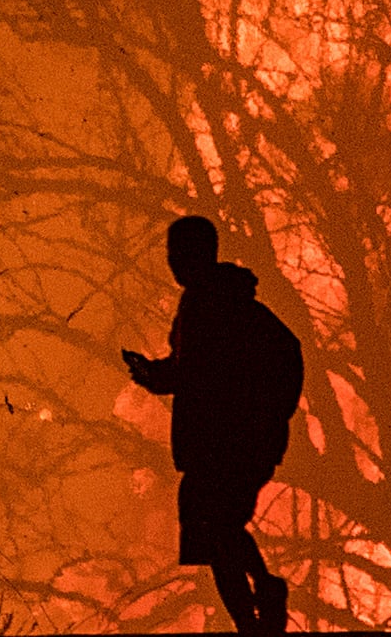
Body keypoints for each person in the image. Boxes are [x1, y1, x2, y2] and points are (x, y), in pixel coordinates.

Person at [124, 215, 302, 635]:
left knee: (218, 528)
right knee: (215, 533)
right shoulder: (200, 305)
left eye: (178, 254)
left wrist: (267, 420)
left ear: (199, 253)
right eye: (170, 255)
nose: (172, 263)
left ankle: (259, 601)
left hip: (231, 445)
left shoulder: (220, 304)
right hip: (213, 446)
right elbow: (189, 371)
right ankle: (254, 611)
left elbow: (206, 372)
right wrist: (153, 374)